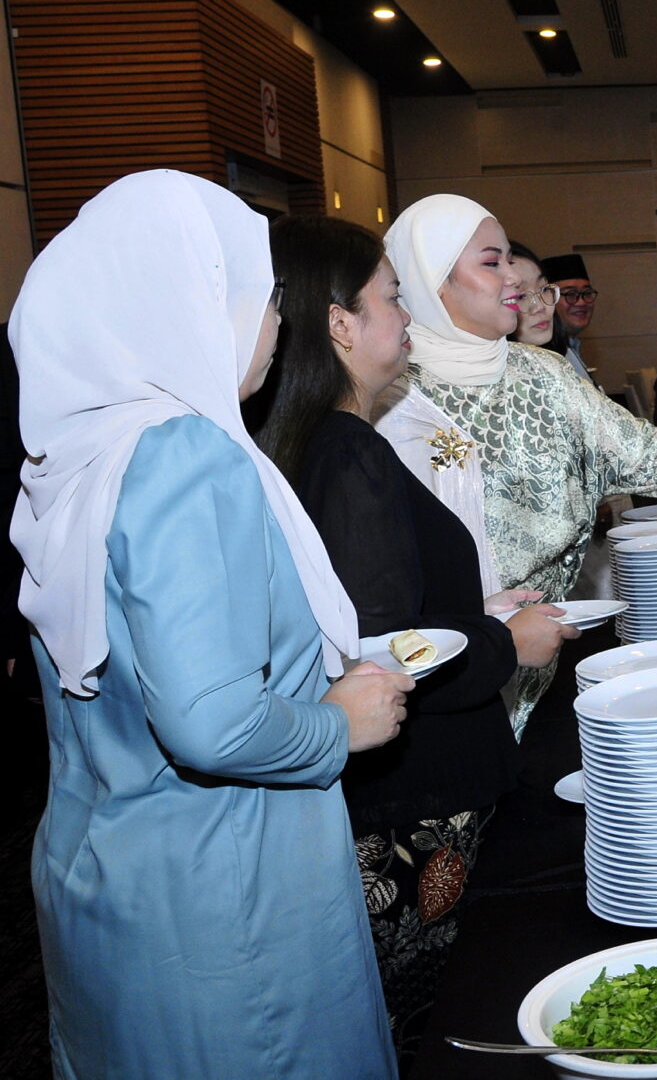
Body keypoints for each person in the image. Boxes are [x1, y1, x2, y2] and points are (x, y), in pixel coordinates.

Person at [15, 170, 411, 1078]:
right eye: (264, 296)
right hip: (228, 903)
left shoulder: (75, 454)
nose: (275, 323)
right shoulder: (186, 455)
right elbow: (211, 721)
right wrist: (338, 724)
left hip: (108, 882)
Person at [255, 215, 560, 1065]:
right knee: (443, 1022)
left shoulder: (311, 441)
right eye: (391, 298)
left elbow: (363, 607)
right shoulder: (351, 450)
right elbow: (385, 652)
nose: (405, 315)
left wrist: (474, 608)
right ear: (340, 323)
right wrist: (504, 645)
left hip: (391, 787)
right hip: (419, 800)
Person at [375, 195, 657, 734]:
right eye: (491, 262)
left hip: (549, 653)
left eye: (508, 260)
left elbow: (645, 452)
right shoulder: (393, 396)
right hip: (447, 669)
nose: (513, 279)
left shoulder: (543, 374)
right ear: (431, 280)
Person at [542, 252, 599, 380]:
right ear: (548, 299)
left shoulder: (570, 345)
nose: (581, 302)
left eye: (587, 293)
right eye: (570, 294)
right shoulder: (546, 355)